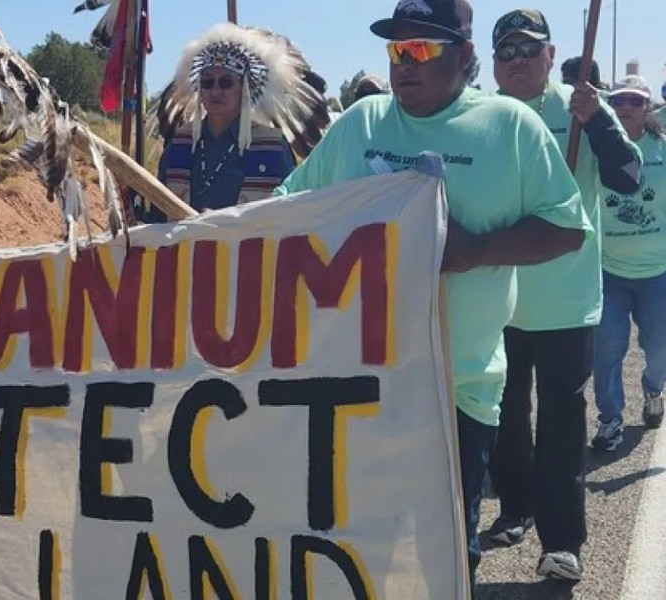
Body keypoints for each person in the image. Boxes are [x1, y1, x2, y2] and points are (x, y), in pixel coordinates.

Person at [274, 0, 589, 588]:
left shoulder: (509, 128)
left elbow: (568, 229)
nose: (404, 64)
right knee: (359, 542)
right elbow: (289, 206)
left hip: (457, 388)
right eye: (397, 49)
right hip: (359, 382)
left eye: (420, 48)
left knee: (442, 551)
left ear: (464, 56)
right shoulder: (361, 123)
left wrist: (475, 251)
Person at [484, 8, 642, 581]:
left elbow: (628, 178)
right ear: (493, 63)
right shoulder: (483, 116)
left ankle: (562, 541)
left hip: (565, 303)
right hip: (496, 298)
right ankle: (514, 508)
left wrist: (597, 121)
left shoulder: (581, 108)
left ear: (551, 56)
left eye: (530, 49)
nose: (518, 60)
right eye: (507, 52)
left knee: (561, 422)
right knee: (503, 416)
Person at [136, 23, 329, 222]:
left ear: (245, 88)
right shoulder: (180, 144)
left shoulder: (272, 147)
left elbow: (289, 216)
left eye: (226, 82)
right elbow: (158, 218)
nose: (215, 91)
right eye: (207, 83)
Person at [592, 75, 666, 448]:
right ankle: (610, 420)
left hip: (657, 272)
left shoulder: (662, 148)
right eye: (618, 101)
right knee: (607, 350)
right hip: (609, 270)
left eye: (635, 102)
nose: (626, 108)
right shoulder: (597, 146)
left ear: (648, 108)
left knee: (659, 347)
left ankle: (654, 389)